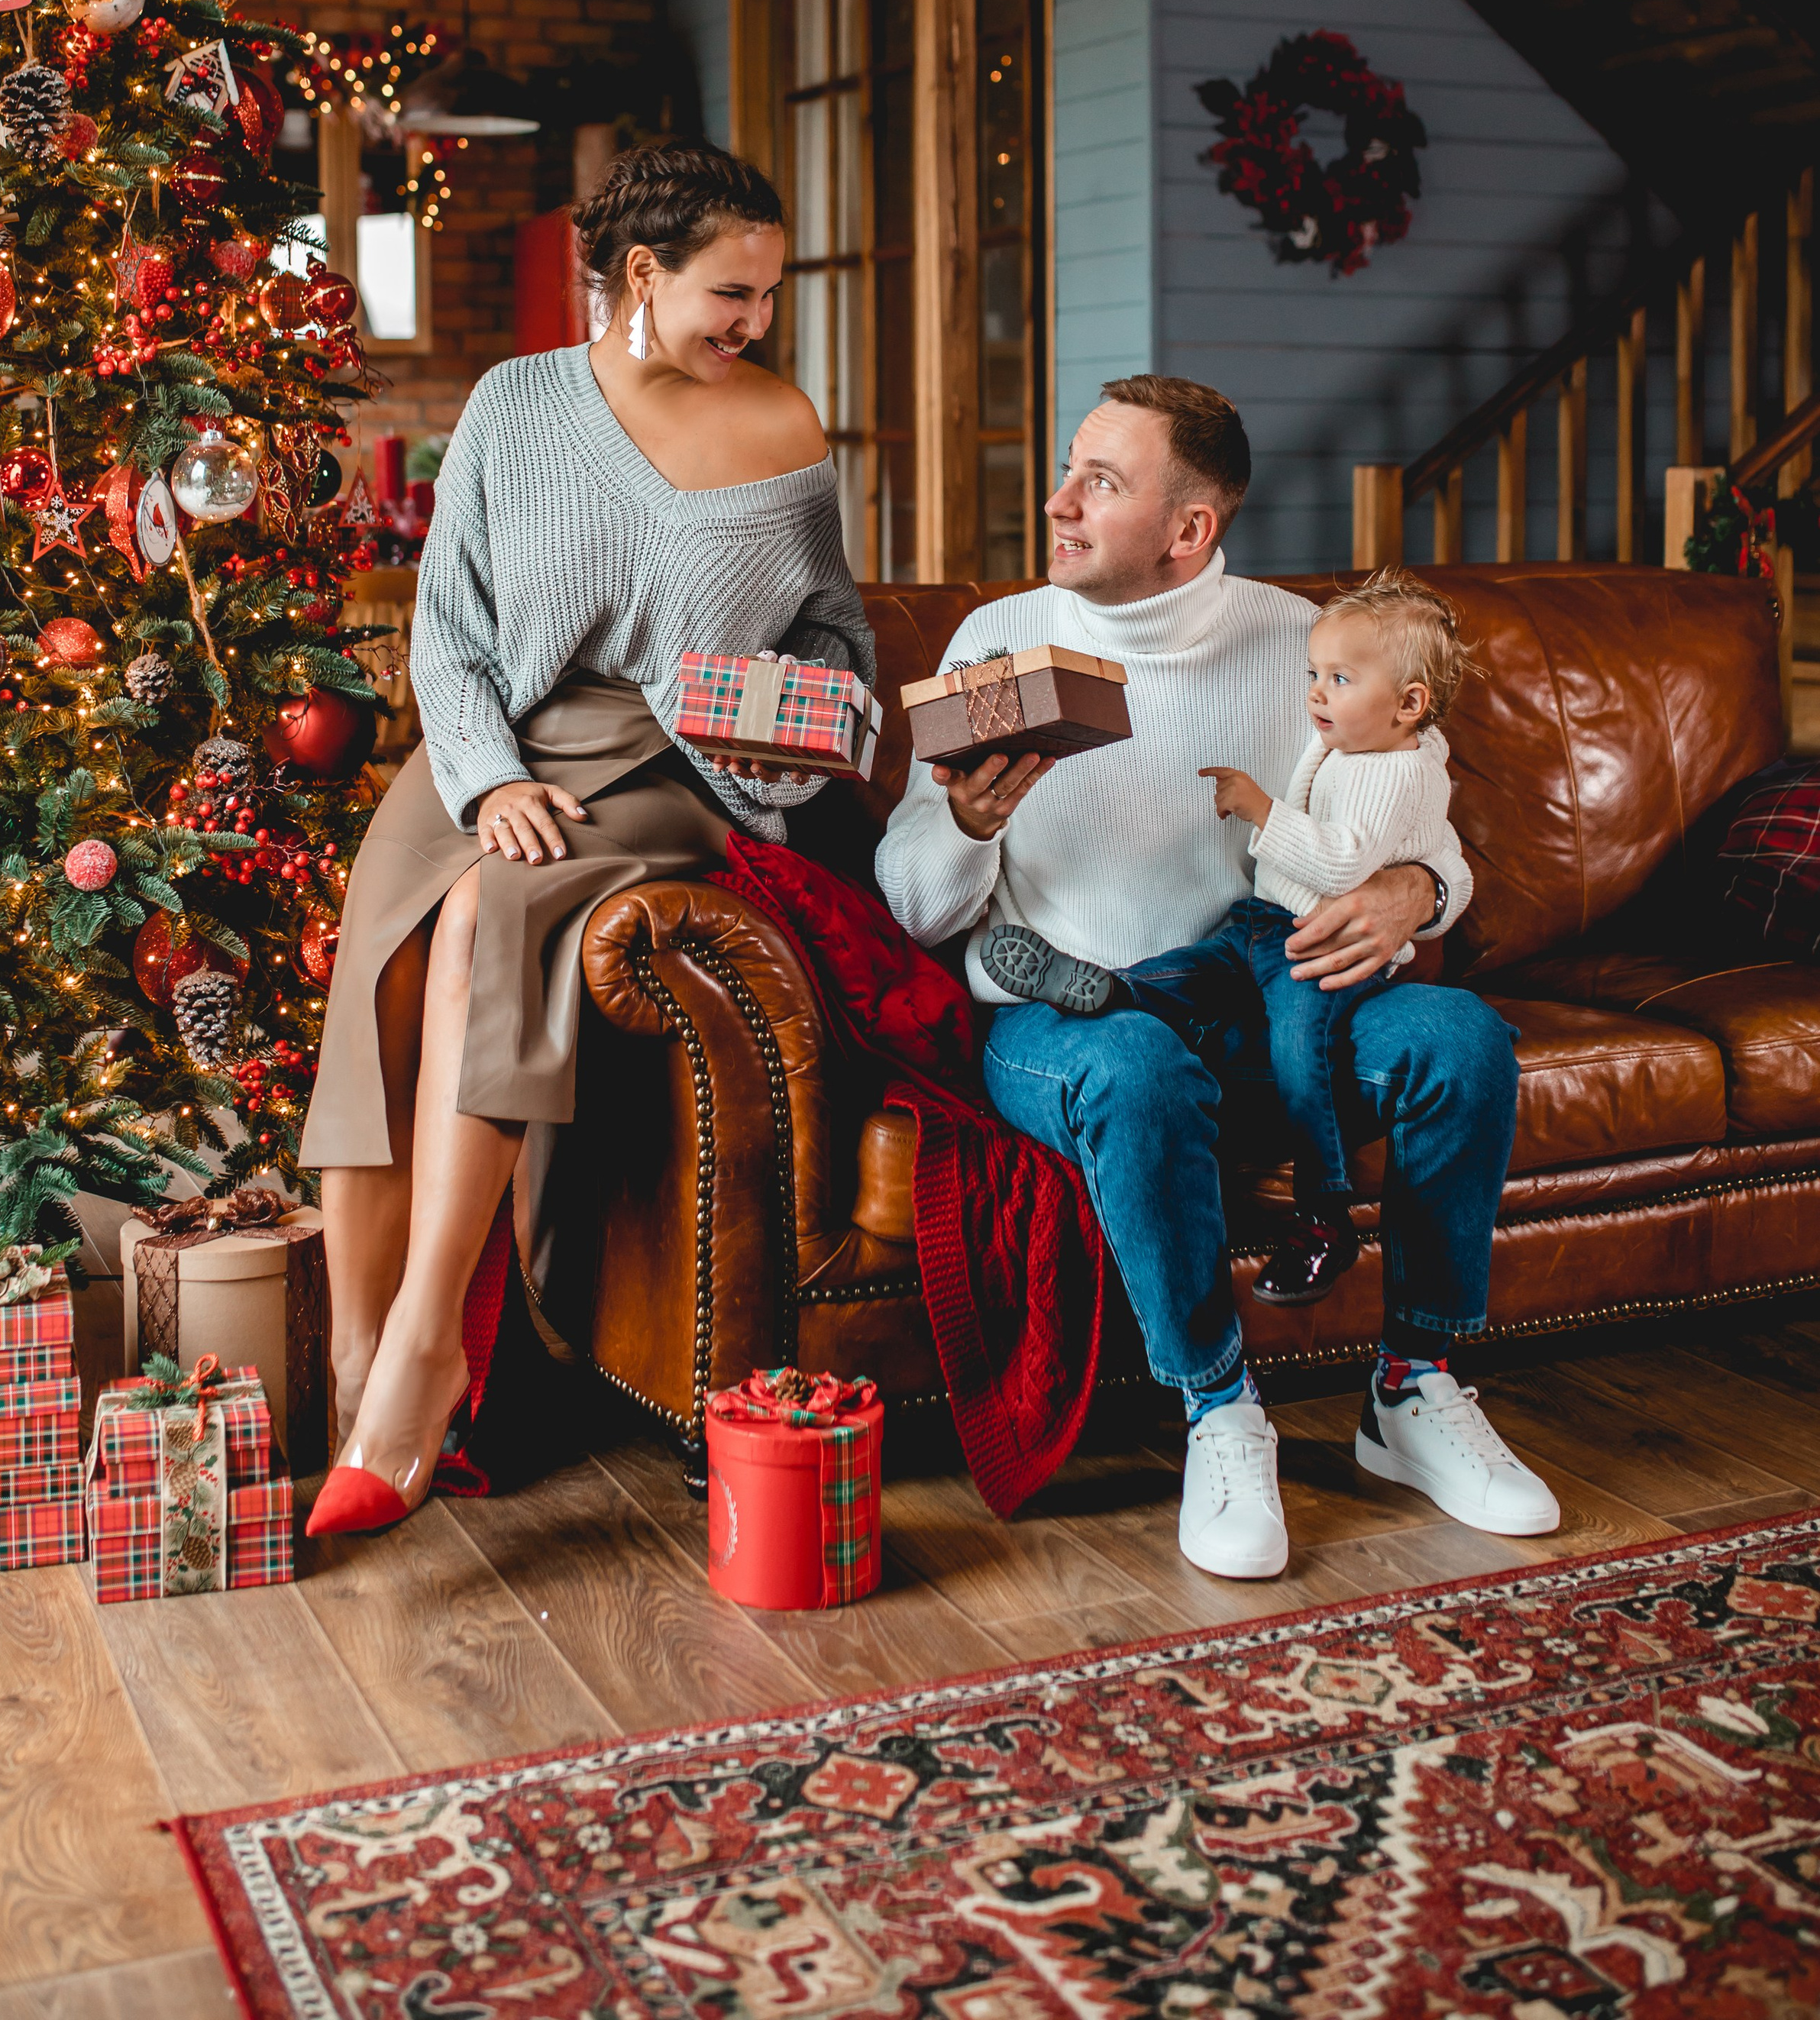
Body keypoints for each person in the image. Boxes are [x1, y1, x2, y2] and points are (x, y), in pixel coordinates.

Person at [875, 376, 1558, 1582]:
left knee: (1459, 1039)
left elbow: (1423, 827)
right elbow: (917, 908)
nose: (1057, 502)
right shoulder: (998, 642)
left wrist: (1419, 892)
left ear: (1190, 530)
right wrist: (967, 828)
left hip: (1263, 992)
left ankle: (1416, 1385)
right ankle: (1219, 1408)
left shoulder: (1304, 648)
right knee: (1136, 1064)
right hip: (1060, 1017)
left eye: (1101, 481)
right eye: (1068, 469)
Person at [301, 141, 872, 1536]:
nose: (753, 323)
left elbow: (835, 644)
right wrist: (487, 777)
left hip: (670, 770)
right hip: (492, 749)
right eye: (729, 293)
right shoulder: (515, 406)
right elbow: (446, 629)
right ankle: (357, 1365)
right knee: (386, 957)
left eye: (766, 296)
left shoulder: (790, 430)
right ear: (642, 274)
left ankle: (432, 1348)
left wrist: (780, 741)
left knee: (499, 916)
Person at [984, 565, 1467, 1311]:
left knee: (1300, 1058)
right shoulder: (1348, 740)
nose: (1313, 692)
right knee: (1187, 971)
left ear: (1409, 705)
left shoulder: (1396, 772)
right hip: (1262, 923)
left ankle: (1322, 1214)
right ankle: (1114, 990)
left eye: (1338, 678)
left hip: (1315, 948)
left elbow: (1344, 858)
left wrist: (1259, 809)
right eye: (1313, 673)